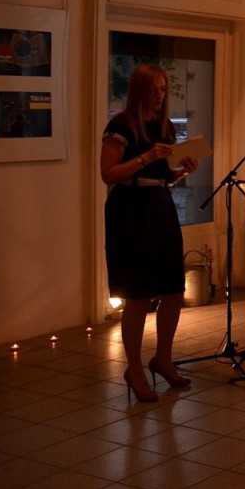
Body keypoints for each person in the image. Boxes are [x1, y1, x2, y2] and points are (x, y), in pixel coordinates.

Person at [100, 64, 200, 402]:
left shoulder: (164, 125)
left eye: (163, 90)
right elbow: (108, 173)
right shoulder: (121, 125)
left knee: (173, 287)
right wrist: (145, 157)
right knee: (138, 292)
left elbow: (161, 175)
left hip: (159, 203)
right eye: (154, 89)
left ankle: (163, 359)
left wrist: (180, 172)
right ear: (139, 90)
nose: (159, 96)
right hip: (129, 208)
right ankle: (134, 368)